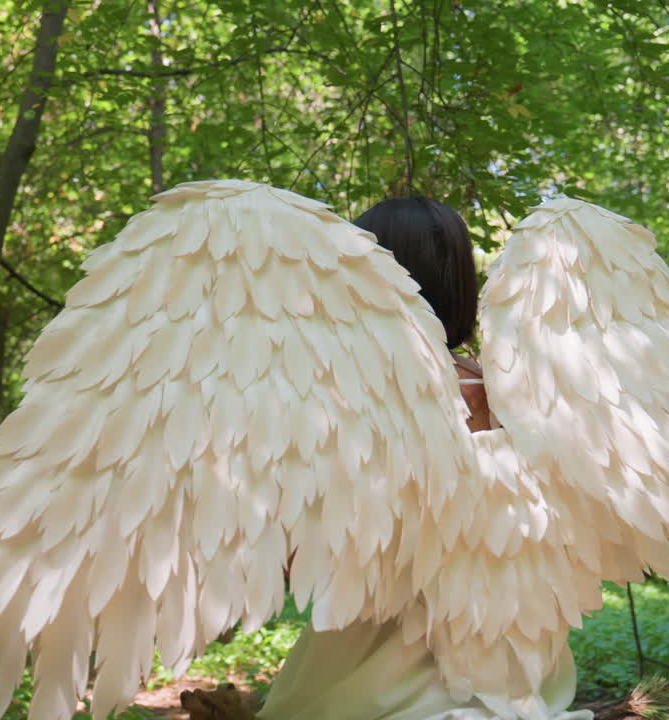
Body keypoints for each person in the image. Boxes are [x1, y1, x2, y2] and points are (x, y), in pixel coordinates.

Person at [248, 198, 588, 720]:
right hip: (514, 679)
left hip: (370, 682)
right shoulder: (514, 393)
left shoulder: (346, 398)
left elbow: (299, 564)